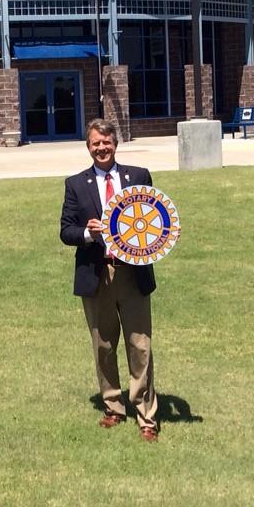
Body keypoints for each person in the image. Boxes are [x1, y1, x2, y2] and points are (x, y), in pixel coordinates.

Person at [59, 118, 159, 442]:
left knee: (140, 346)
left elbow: (155, 218)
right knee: (103, 346)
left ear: (116, 143)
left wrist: (163, 232)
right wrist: (88, 233)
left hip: (132, 273)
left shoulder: (138, 176)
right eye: (95, 144)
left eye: (106, 142)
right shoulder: (76, 184)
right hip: (97, 274)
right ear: (88, 147)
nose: (102, 148)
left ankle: (147, 417)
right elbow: (66, 231)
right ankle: (113, 406)